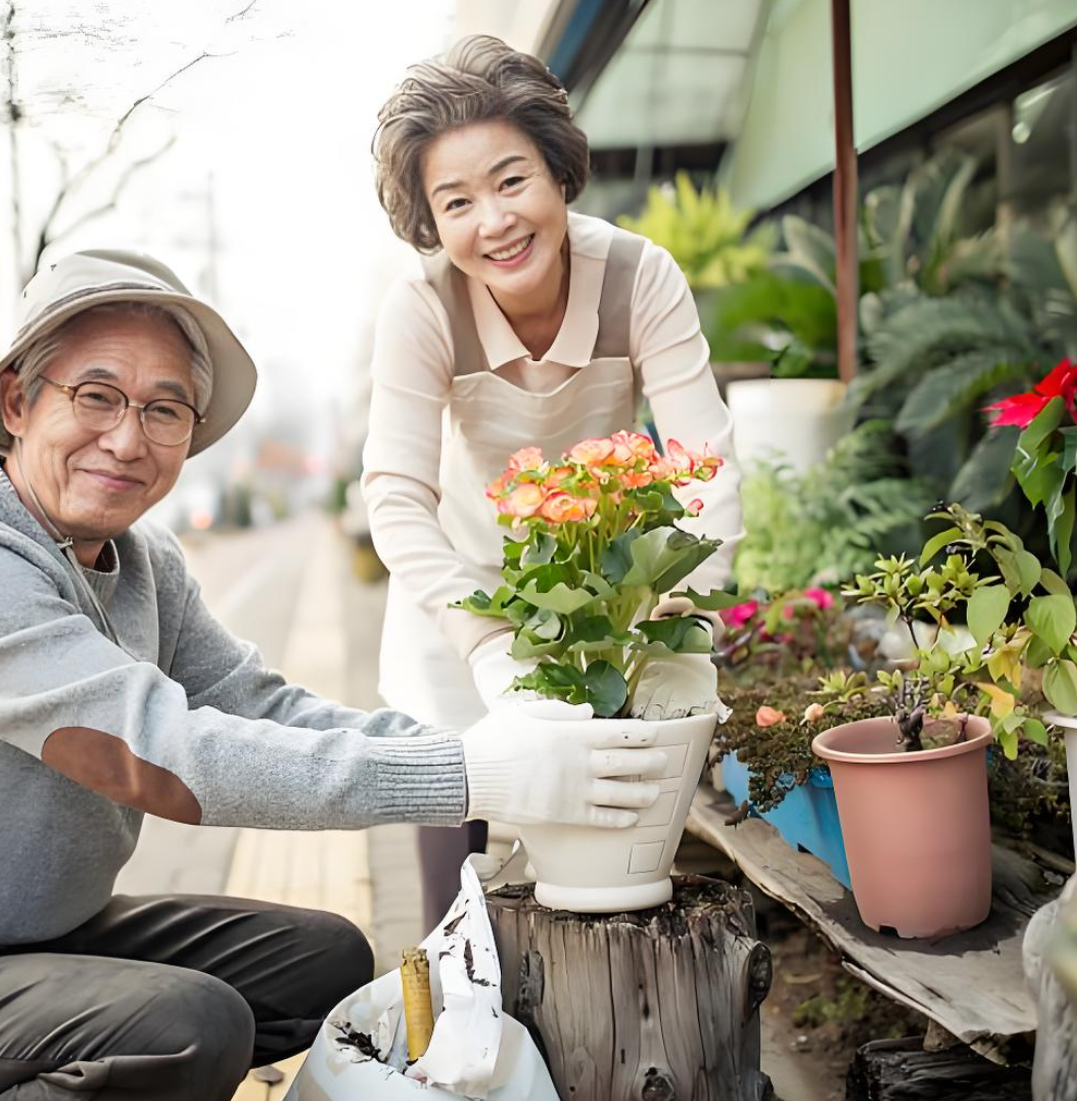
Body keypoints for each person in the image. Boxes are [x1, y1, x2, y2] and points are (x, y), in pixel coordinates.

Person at [0, 250, 666, 1101]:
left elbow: (263, 706)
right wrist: (476, 777)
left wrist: (474, 745)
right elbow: (165, 750)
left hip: (36, 942)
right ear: (19, 401)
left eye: (164, 408)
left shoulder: (142, 560)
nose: (126, 437)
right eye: (97, 396)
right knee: (191, 1027)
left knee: (325, 957)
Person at [363, 35, 744, 930]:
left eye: (510, 180)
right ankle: (455, 1039)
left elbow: (707, 462)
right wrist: (490, 643)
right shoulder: (422, 306)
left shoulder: (639, 276)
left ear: (558, 171)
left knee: (590, 857)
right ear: (430, 220)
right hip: (456, 597)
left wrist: (672, 616)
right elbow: (395, 494)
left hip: (602, 599)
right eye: (455, 201)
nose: (492, 221)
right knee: (449, 888)